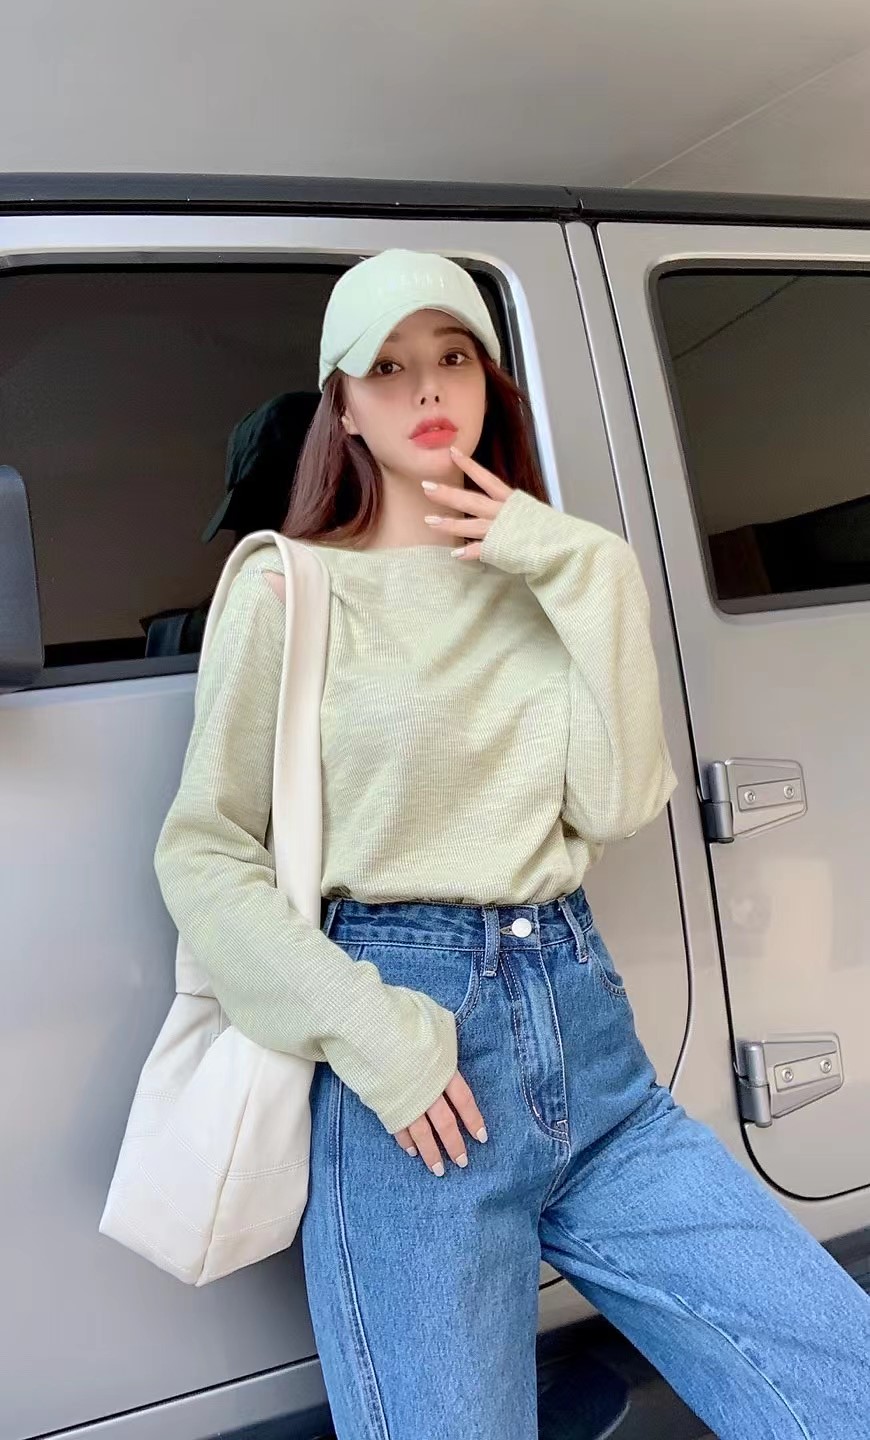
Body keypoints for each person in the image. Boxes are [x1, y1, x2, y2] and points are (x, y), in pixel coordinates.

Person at [153, 249, 870, 1440]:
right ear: (344, 404)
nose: (428, 387)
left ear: (488, 382)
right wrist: (376, 1038)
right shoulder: (286, 591)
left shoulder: (555, 574)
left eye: (452, 357)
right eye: (389, 366)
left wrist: (591, 569)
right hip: (411, 1078)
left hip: (589, 1052)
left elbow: (617, 802)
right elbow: (204, 852)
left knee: (841, 1379)